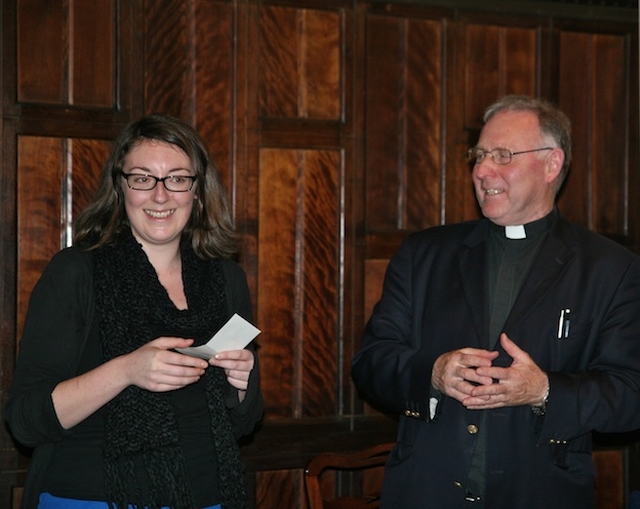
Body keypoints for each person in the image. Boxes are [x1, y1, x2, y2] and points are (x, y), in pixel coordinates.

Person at [351, 95, 640, 508]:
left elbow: (630, 395)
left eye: (503, 155)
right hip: (426, 493)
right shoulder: (424, 255)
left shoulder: (610, 270)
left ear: (552, 164)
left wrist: (544, 390)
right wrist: (432, 373)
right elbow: (371, 362)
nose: (482, 170)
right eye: (480, 155)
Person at [5, 114, 263, 509]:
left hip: (211, 496)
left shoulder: (227, 280)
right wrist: (127, 370)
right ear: (120, 186)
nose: (161, 195)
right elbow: (25, 421)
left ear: (197, 191)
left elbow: (243, 424)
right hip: (91, 497)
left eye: (177, 178)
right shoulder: (76, 272)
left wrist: (241, 382)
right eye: (143, 178)